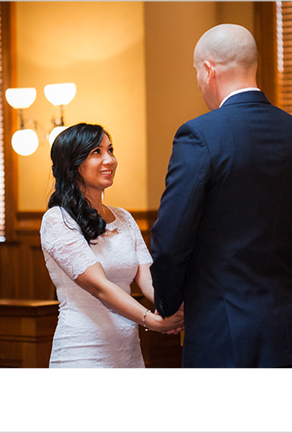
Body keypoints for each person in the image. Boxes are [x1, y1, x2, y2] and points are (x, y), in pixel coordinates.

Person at [150, 24, 292, 368]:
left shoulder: (200, 134)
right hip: (291, 331)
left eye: (197, 72)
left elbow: (171, 238)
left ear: (209, 70)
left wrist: (169, 303)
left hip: (224, 334)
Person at [40, 123, 184, 368]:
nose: (110, 159)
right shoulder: (57, 219)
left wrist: (171, 310)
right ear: (72, 163)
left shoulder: (124, 218)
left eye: (110, 150)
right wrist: (151, 320)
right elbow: (99, 286)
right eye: (96, 152)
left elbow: (148, 277)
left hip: (128, 352)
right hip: (83, 352)